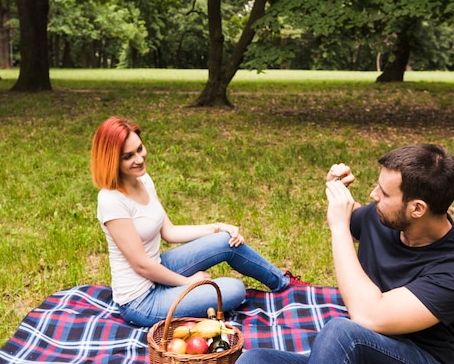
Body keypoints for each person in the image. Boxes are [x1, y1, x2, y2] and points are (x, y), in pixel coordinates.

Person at [233, 143, 454, 364]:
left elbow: (368, 316)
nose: (374, 194)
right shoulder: (384, 219)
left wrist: (339, 229)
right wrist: (336, 187)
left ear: (417, 209)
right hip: (363, 359)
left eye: (385, 193)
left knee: (342, 333)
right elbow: (353, 214)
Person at [90, 116, 307, 327]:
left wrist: (218, 227)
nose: (139, 159)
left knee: (224, 240)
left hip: (158, 268)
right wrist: (189, 282)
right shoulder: (111, 200)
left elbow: (170, 232)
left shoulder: (143, 180)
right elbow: (141, 265)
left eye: (139, 149)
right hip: (141, 301)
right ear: (112, 160)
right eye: (128, 156)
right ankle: (182, 291)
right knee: (234, 290)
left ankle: (283, 284)